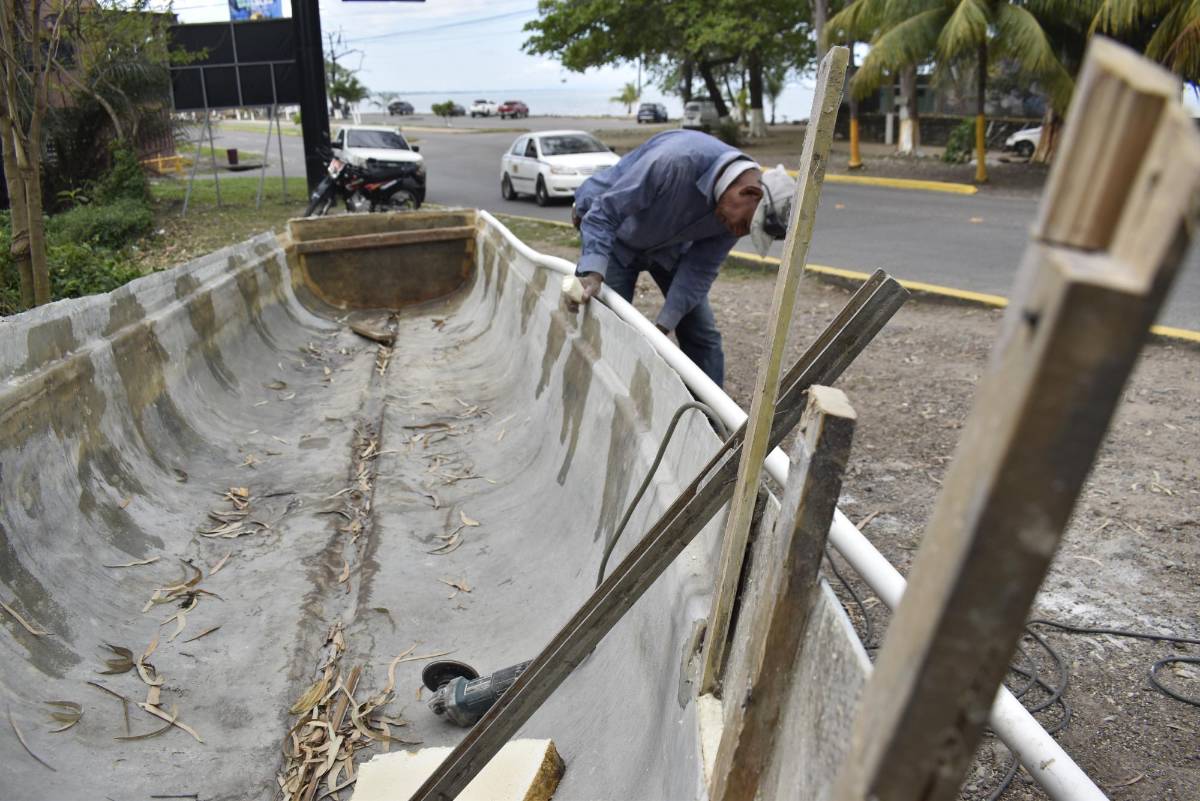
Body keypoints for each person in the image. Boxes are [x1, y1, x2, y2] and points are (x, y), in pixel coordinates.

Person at [569, 129, 793, 387]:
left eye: (746, 230)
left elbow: (699, 270)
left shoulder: (735, 216)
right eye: (744, 225)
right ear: (749, 193)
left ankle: (710, 420)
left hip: (668, 247)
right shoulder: (674, 162)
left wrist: (662, 329)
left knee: (702, 335)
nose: (737, 232)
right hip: (617, 237)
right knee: (601, 320)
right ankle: (586, 395)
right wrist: (593, 274)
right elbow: (604, 213)